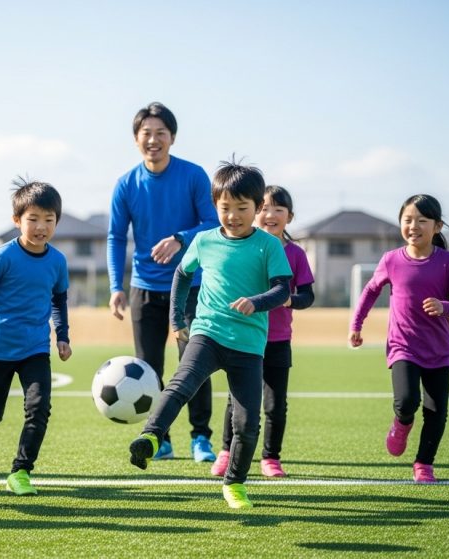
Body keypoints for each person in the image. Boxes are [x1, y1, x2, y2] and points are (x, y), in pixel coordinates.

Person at [128, 159, 292, 510]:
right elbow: (182, 276)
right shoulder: (203, 240)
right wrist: (177, 319)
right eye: (225, 208)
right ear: (215, 205)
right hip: (207, 333)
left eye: (241, 208)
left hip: (248, 346)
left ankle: (234, 483)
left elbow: (282, 289)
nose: (232, 216)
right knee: (179, 386)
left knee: (247, 422)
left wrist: (256, 301)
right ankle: (151, 439)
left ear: (257, 208)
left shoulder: (268, 246)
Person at [107, 101, 219, 462]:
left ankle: (200, 437)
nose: (153, 140)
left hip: (191, 285)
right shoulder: (126, 184)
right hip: (145, 289)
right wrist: (116, 287)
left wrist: (179, 239)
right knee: (148, 368)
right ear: (136, 139)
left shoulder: (193, 176)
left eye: (161, 133)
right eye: (146, 134)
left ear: (172, 137)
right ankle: (161, 439)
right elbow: (115, 237)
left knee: (194, 363)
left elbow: (211, 223)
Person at [349, 194, 449, 483]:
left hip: (439, 349)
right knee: (406, 401)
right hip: (403, 345)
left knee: (437, 412)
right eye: (407, 220)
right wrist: (356, 324)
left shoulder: (448, 262)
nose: (413, 226)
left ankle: (424, 464)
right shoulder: (391, 260)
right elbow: (370, 292)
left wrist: (445, 307)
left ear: (437, 226)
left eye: (421, 220)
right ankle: (402, 423)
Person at [0, 178, 72, 496]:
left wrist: (62, 336)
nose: (41, 227)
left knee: (39, 408)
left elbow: (59, 300)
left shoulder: (58, 261)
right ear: (17, 220)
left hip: (36, 348)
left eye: (48, 220)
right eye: (33, 219)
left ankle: (21, 471)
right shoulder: (2, 256)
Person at [210, 185, 314, 479]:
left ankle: (271, 457)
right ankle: (226, 452)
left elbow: (308, 296)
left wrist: (289, 299)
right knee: (237, 401)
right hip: (244, 339)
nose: (270, 215)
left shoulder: (295, 254)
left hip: (278, 341)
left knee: (275, 404)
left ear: (289, 217)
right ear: (256, 212)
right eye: (265, 208)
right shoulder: (242, 247)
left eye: (278, 209)